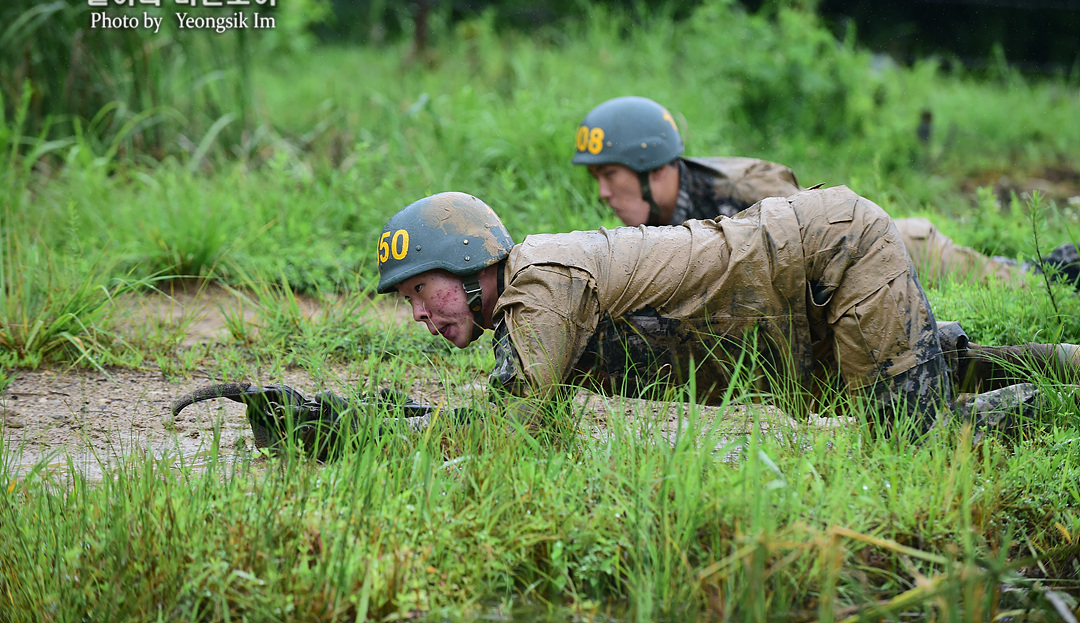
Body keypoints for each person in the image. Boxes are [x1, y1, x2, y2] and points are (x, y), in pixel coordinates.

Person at [173, 189, 1078, 457]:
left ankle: (1047, 404)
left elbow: (503, 436)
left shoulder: (541, 285)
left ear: (474, 265)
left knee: (912, 444)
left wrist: (348, 435)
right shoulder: (531, 299)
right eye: (408, 301)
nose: (418, 314)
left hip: (830, 256)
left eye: (423, 290)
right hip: (797, 303)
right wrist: (370, 413)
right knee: (922, 367)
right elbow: (510, 411)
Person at [571, 96, 1080, 290]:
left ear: (651, 168)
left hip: (898, 251)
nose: (602, 192)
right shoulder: (650, 221)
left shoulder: (744, 188)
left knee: (1027, 286)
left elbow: (818, 237)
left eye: (608, 174)